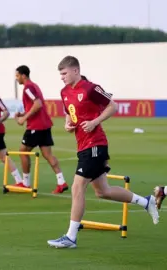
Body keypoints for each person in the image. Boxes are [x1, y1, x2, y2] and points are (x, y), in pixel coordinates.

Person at [47, 56, 159, 249]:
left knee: (77, 187)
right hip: (82, 145)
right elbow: (68, 110)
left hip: (95, 144)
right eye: (60, 74)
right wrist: (67, 122)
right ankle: (146, 202)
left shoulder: (90, 88)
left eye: (64, 73)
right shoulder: (64, 91)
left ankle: (70, 237)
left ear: (75, 70)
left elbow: (112, 106)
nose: (62, 77)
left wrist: (94, 122)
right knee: (102, 191)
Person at [14, 65, 68, 194]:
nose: (16, 79)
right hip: (44, 124)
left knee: (23, 152)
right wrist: (23, 114)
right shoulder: (34, 86)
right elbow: (36, 105)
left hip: (36, 126)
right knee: (47, 154)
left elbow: (37, 104)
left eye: (17, 76)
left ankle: (25, 183)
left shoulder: (28, 87)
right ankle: (61, 182)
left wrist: (23, 118)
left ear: (23, 75)